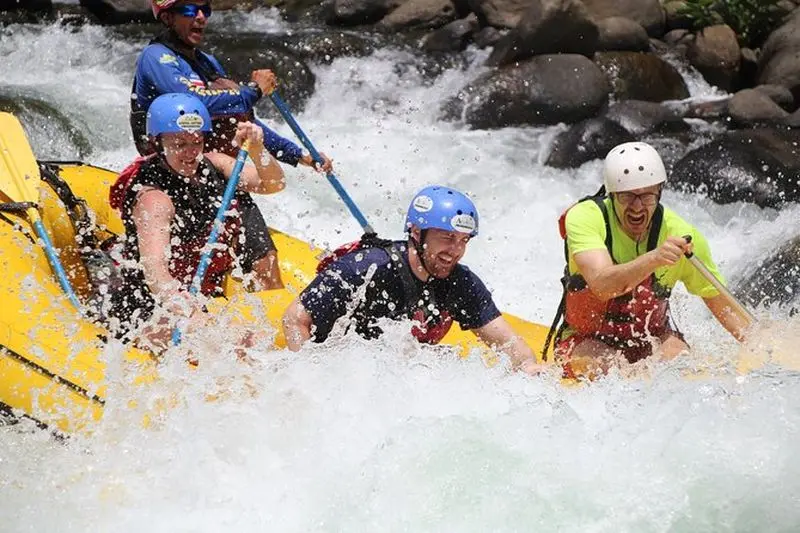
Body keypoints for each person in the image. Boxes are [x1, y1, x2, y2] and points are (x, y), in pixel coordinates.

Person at [131, 0, 333, 291]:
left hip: (213, 174)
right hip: (167, 178)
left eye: (204, 10)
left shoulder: (207, 63)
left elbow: (241, 122)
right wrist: (252, 91)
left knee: (266, 263)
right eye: (189, 10)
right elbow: (196, 104)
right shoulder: (156, 57)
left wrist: (299, 155)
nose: (200, 17)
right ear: (166, 16)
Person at [282, 185, 543, 374]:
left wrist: (528, 367)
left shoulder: (461, 283)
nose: (455, 251)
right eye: (447, 238)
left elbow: (510, 345)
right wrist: (308, 376)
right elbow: (294, 317)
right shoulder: (368, 267)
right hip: (336, 362)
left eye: (463, 241)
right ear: (417, 233)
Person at [545, 141, 751, 377]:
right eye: (626, 197)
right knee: (609, 369)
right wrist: (654, 258)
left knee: (680, 367)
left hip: (652, 341)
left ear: (659, 192)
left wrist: (763, 351)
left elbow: (726, 308)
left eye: (647, 196)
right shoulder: (585, 218)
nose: (637, 206)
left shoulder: (683, 235)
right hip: (585, 341)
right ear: (611, 195)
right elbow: (603, 285)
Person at [107, 93, 285, 351]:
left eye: (196, 142)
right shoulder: (154, 199)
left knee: (254, 339)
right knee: (229, 341)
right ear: (158, 143)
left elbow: (273, 184)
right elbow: (156, 275)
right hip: (148, 312)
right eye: (179, 144)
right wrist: (188, 310)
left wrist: (258, 150)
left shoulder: (214, 163)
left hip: (200, 298)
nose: (190, 153)